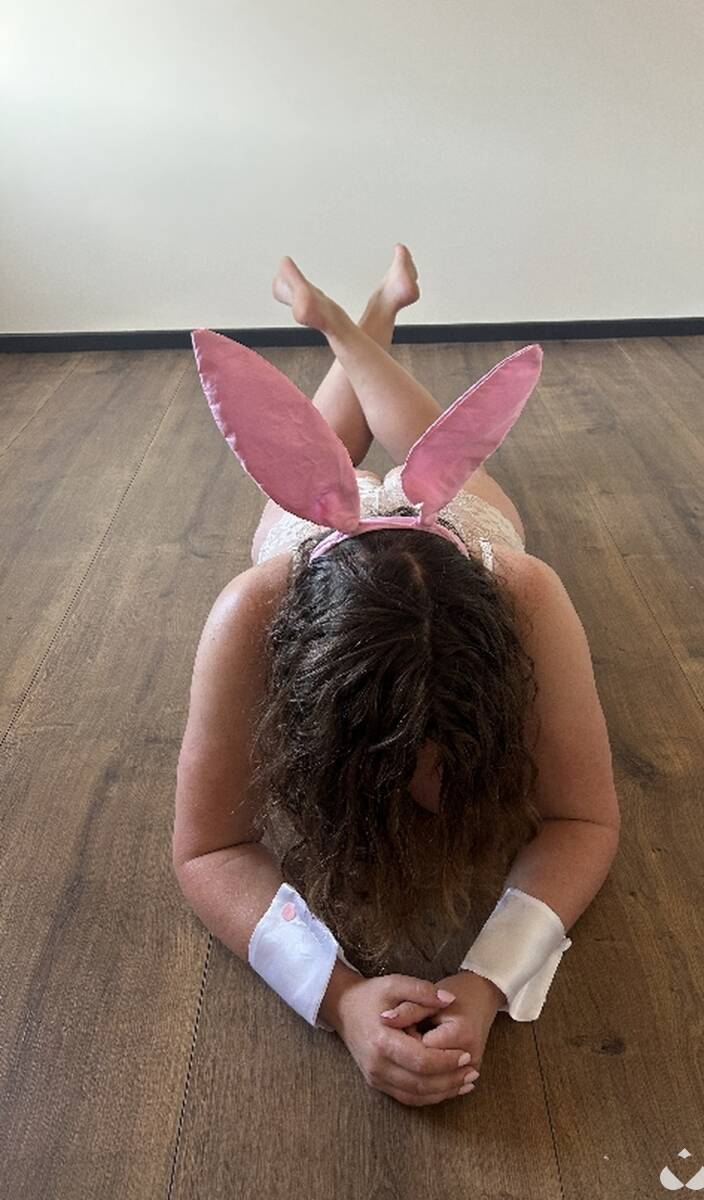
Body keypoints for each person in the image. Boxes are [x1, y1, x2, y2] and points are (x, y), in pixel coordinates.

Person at [172, 245, 620, 1108]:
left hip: (455, 523)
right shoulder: (253, 608)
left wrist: (487, 981)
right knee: (329, 457)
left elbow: (585, 818)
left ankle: (353, 321)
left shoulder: (524, 592)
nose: (426, 794)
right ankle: (357, 319)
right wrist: (337, 998)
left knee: (413, 448)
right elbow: (206, 849)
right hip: (318, 541)